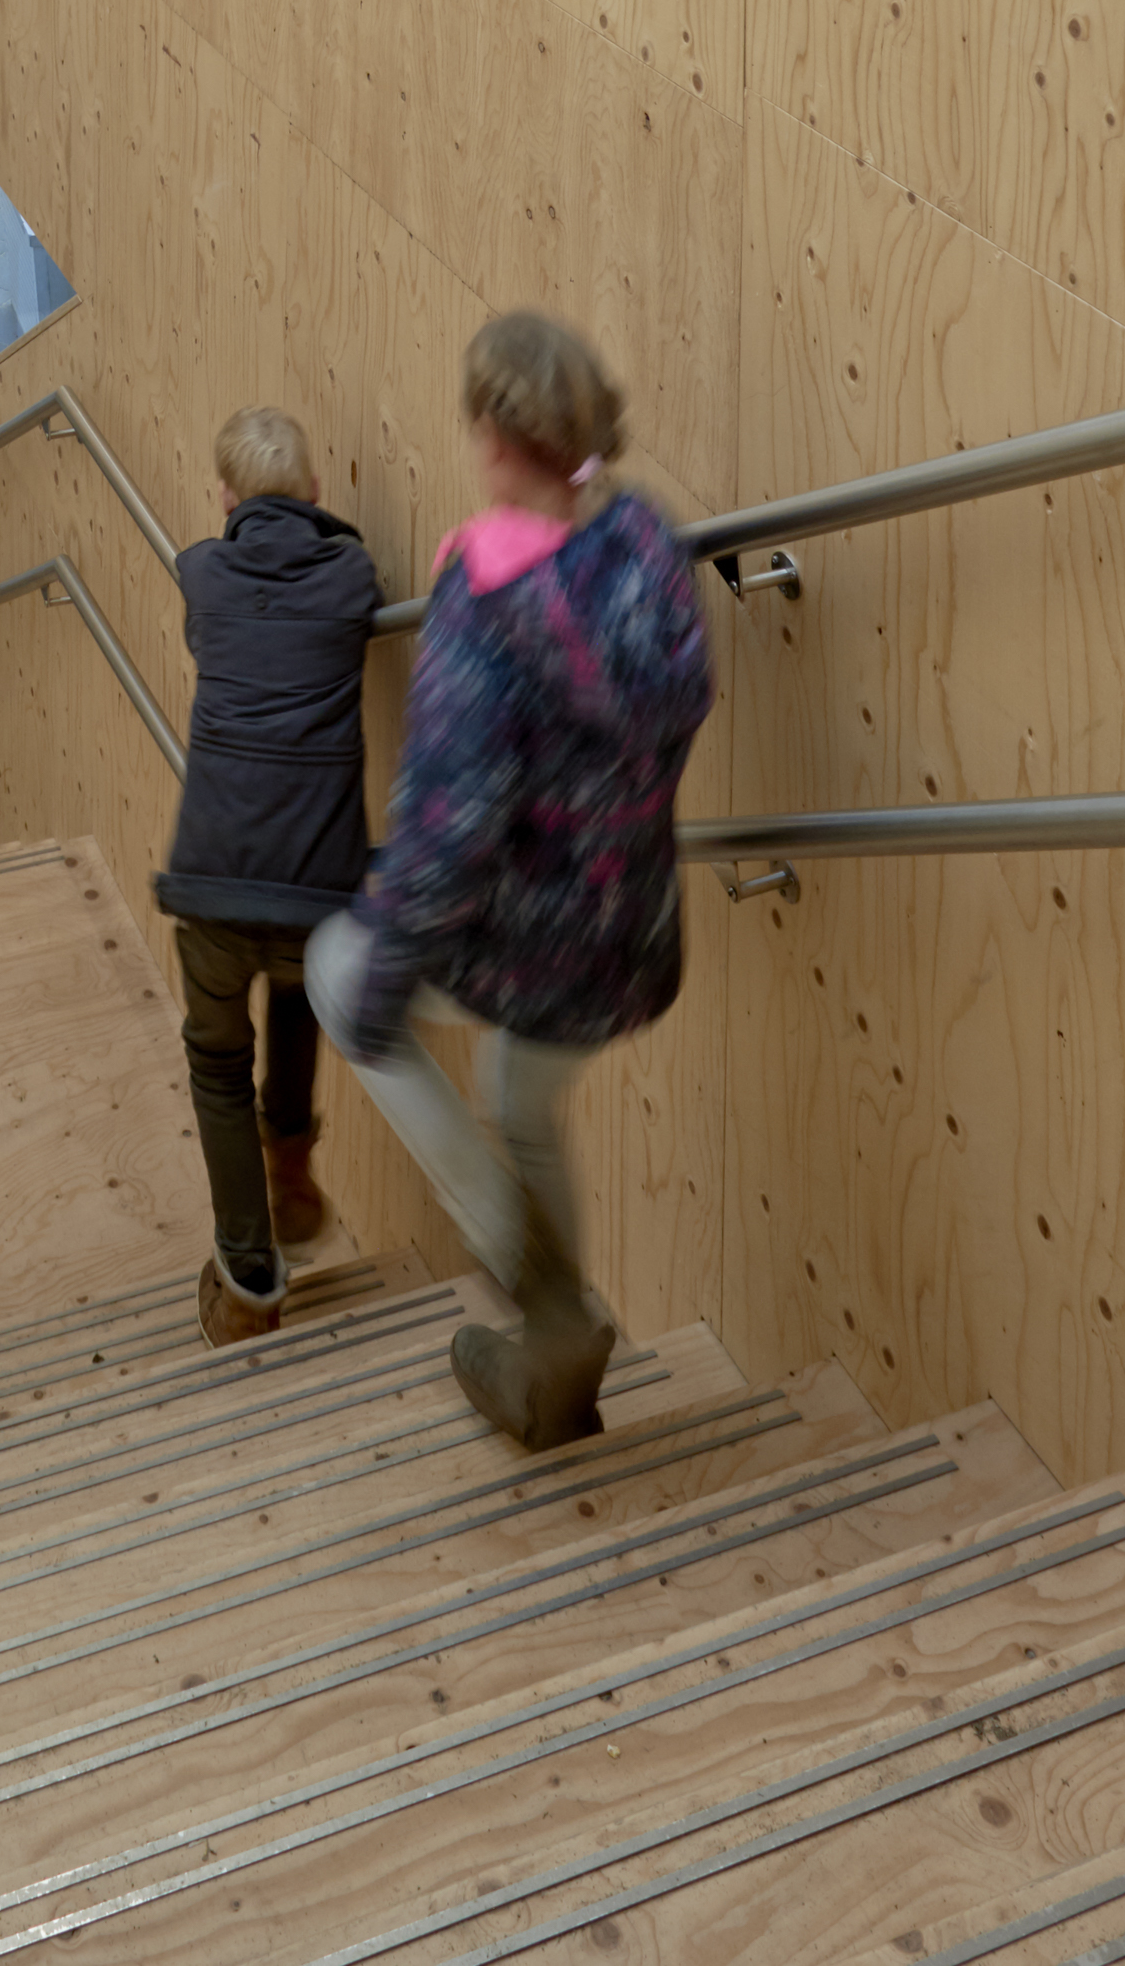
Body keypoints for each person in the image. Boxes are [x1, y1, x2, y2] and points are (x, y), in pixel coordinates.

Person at [310, 311, 711, 1453]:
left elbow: (446, 833)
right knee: (521, 1099)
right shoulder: (643, 539)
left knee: (336, 970)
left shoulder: (481, 612)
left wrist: (382, 974)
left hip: (529, 946)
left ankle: (546, 1300)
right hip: (632, 932)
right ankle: (556, 1359)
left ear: (491, 433)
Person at [155, 405, 382, 1345]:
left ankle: (250, 1277)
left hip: (212, 877)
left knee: (217, 1064)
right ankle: (291, 1173)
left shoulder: (201, 572)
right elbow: (348, 572)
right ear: (316, 490)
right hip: (316, 880)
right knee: (297, 990)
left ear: (226, 497)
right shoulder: (355, 573)